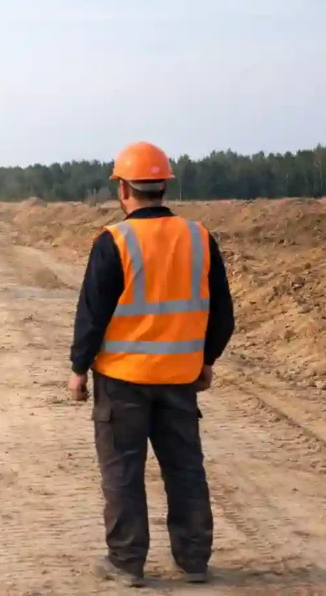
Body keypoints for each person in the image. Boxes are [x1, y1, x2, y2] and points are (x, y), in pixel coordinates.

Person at [67, 141, 235, 587]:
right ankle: (194, 560)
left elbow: (92, 314)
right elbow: (223, 314)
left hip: (122, 380)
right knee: (185, 468)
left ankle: (127, 562)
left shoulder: (114, 241)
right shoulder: (199, 238)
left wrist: (78, 368)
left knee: (122, 471)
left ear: (123, 189)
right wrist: (205, 360)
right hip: (180, 380)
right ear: (164, 187)